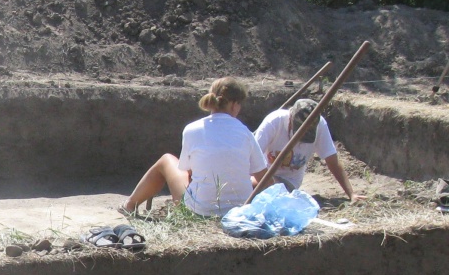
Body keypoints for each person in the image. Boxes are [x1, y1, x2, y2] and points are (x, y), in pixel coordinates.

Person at [121, 77, 268, 216]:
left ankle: (129, 205)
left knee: (166, 160)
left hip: (199, 211)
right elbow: (264, 178)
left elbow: (187, 170)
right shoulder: (245, 132)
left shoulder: (192, 129)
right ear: (234, 104)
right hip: (239, 211)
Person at [254, 99, 360, 201]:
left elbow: (332, 160)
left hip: (288, 181)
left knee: (266, 190)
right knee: (253, 186)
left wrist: (351, 194)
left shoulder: (320, 125)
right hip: (264, 173)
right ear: (290, 119)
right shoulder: (274, 121)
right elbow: (252, 157)